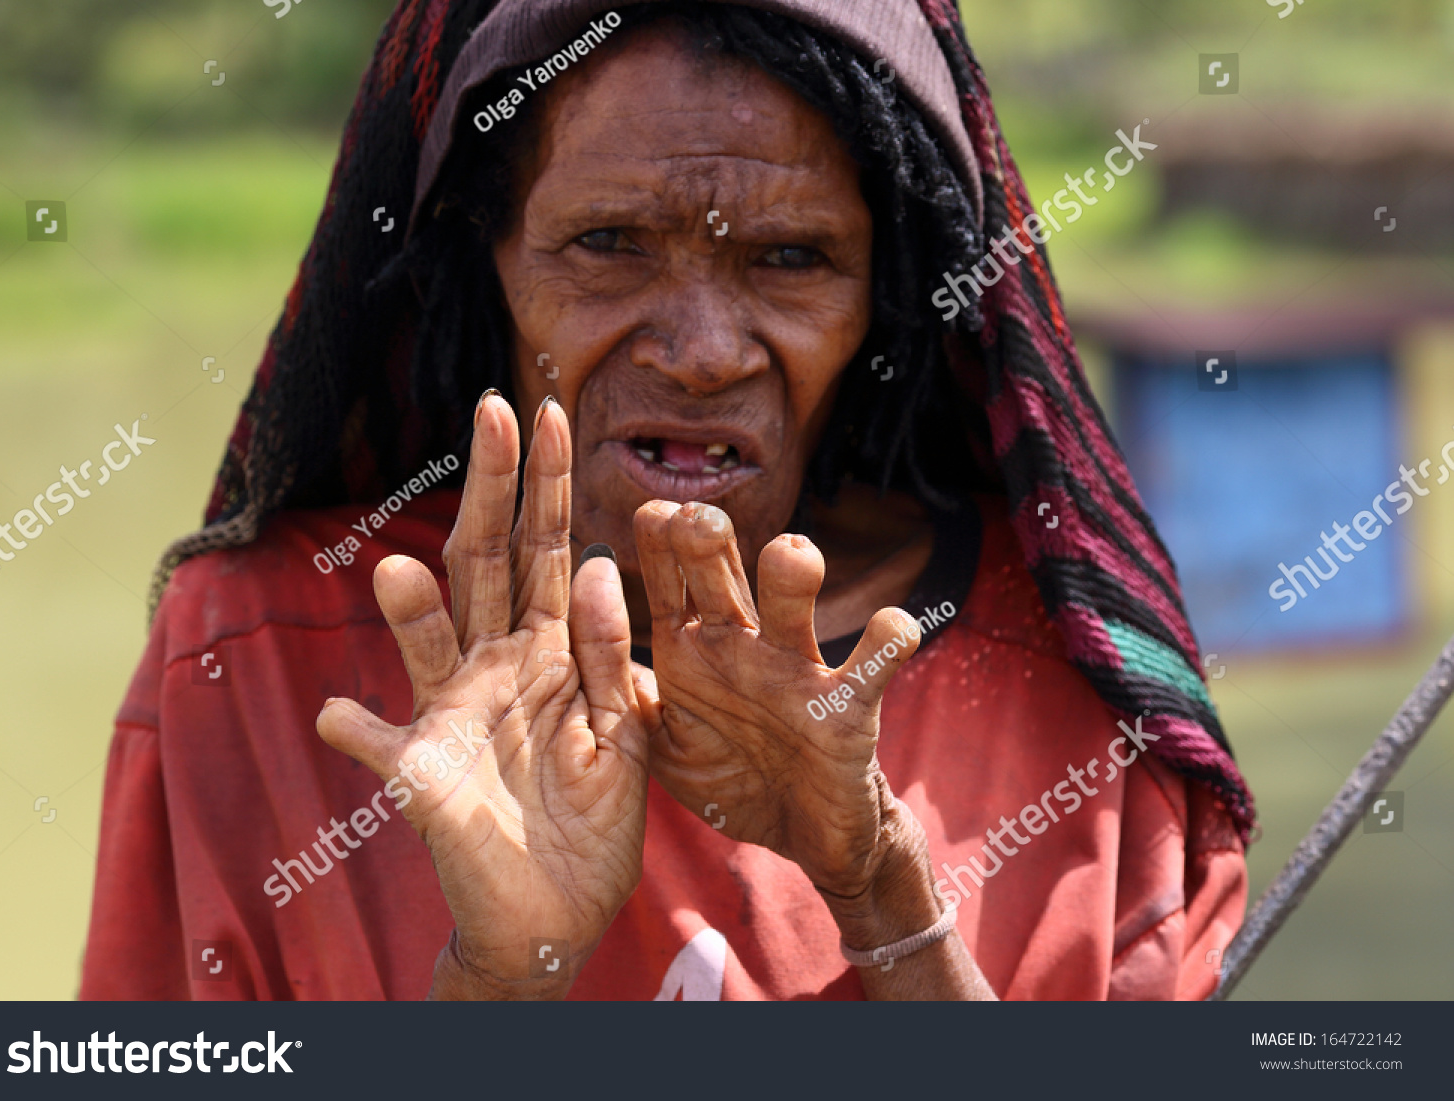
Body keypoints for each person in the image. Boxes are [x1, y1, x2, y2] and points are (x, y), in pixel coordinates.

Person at [80, 0, 1254, 1001]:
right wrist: (501, 983)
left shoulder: (1079, 707)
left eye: (791, 258)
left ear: (888, 291)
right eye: (608, 242)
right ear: (479, 258)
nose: (701, 353)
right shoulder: (261, 660)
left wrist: (885, 898)